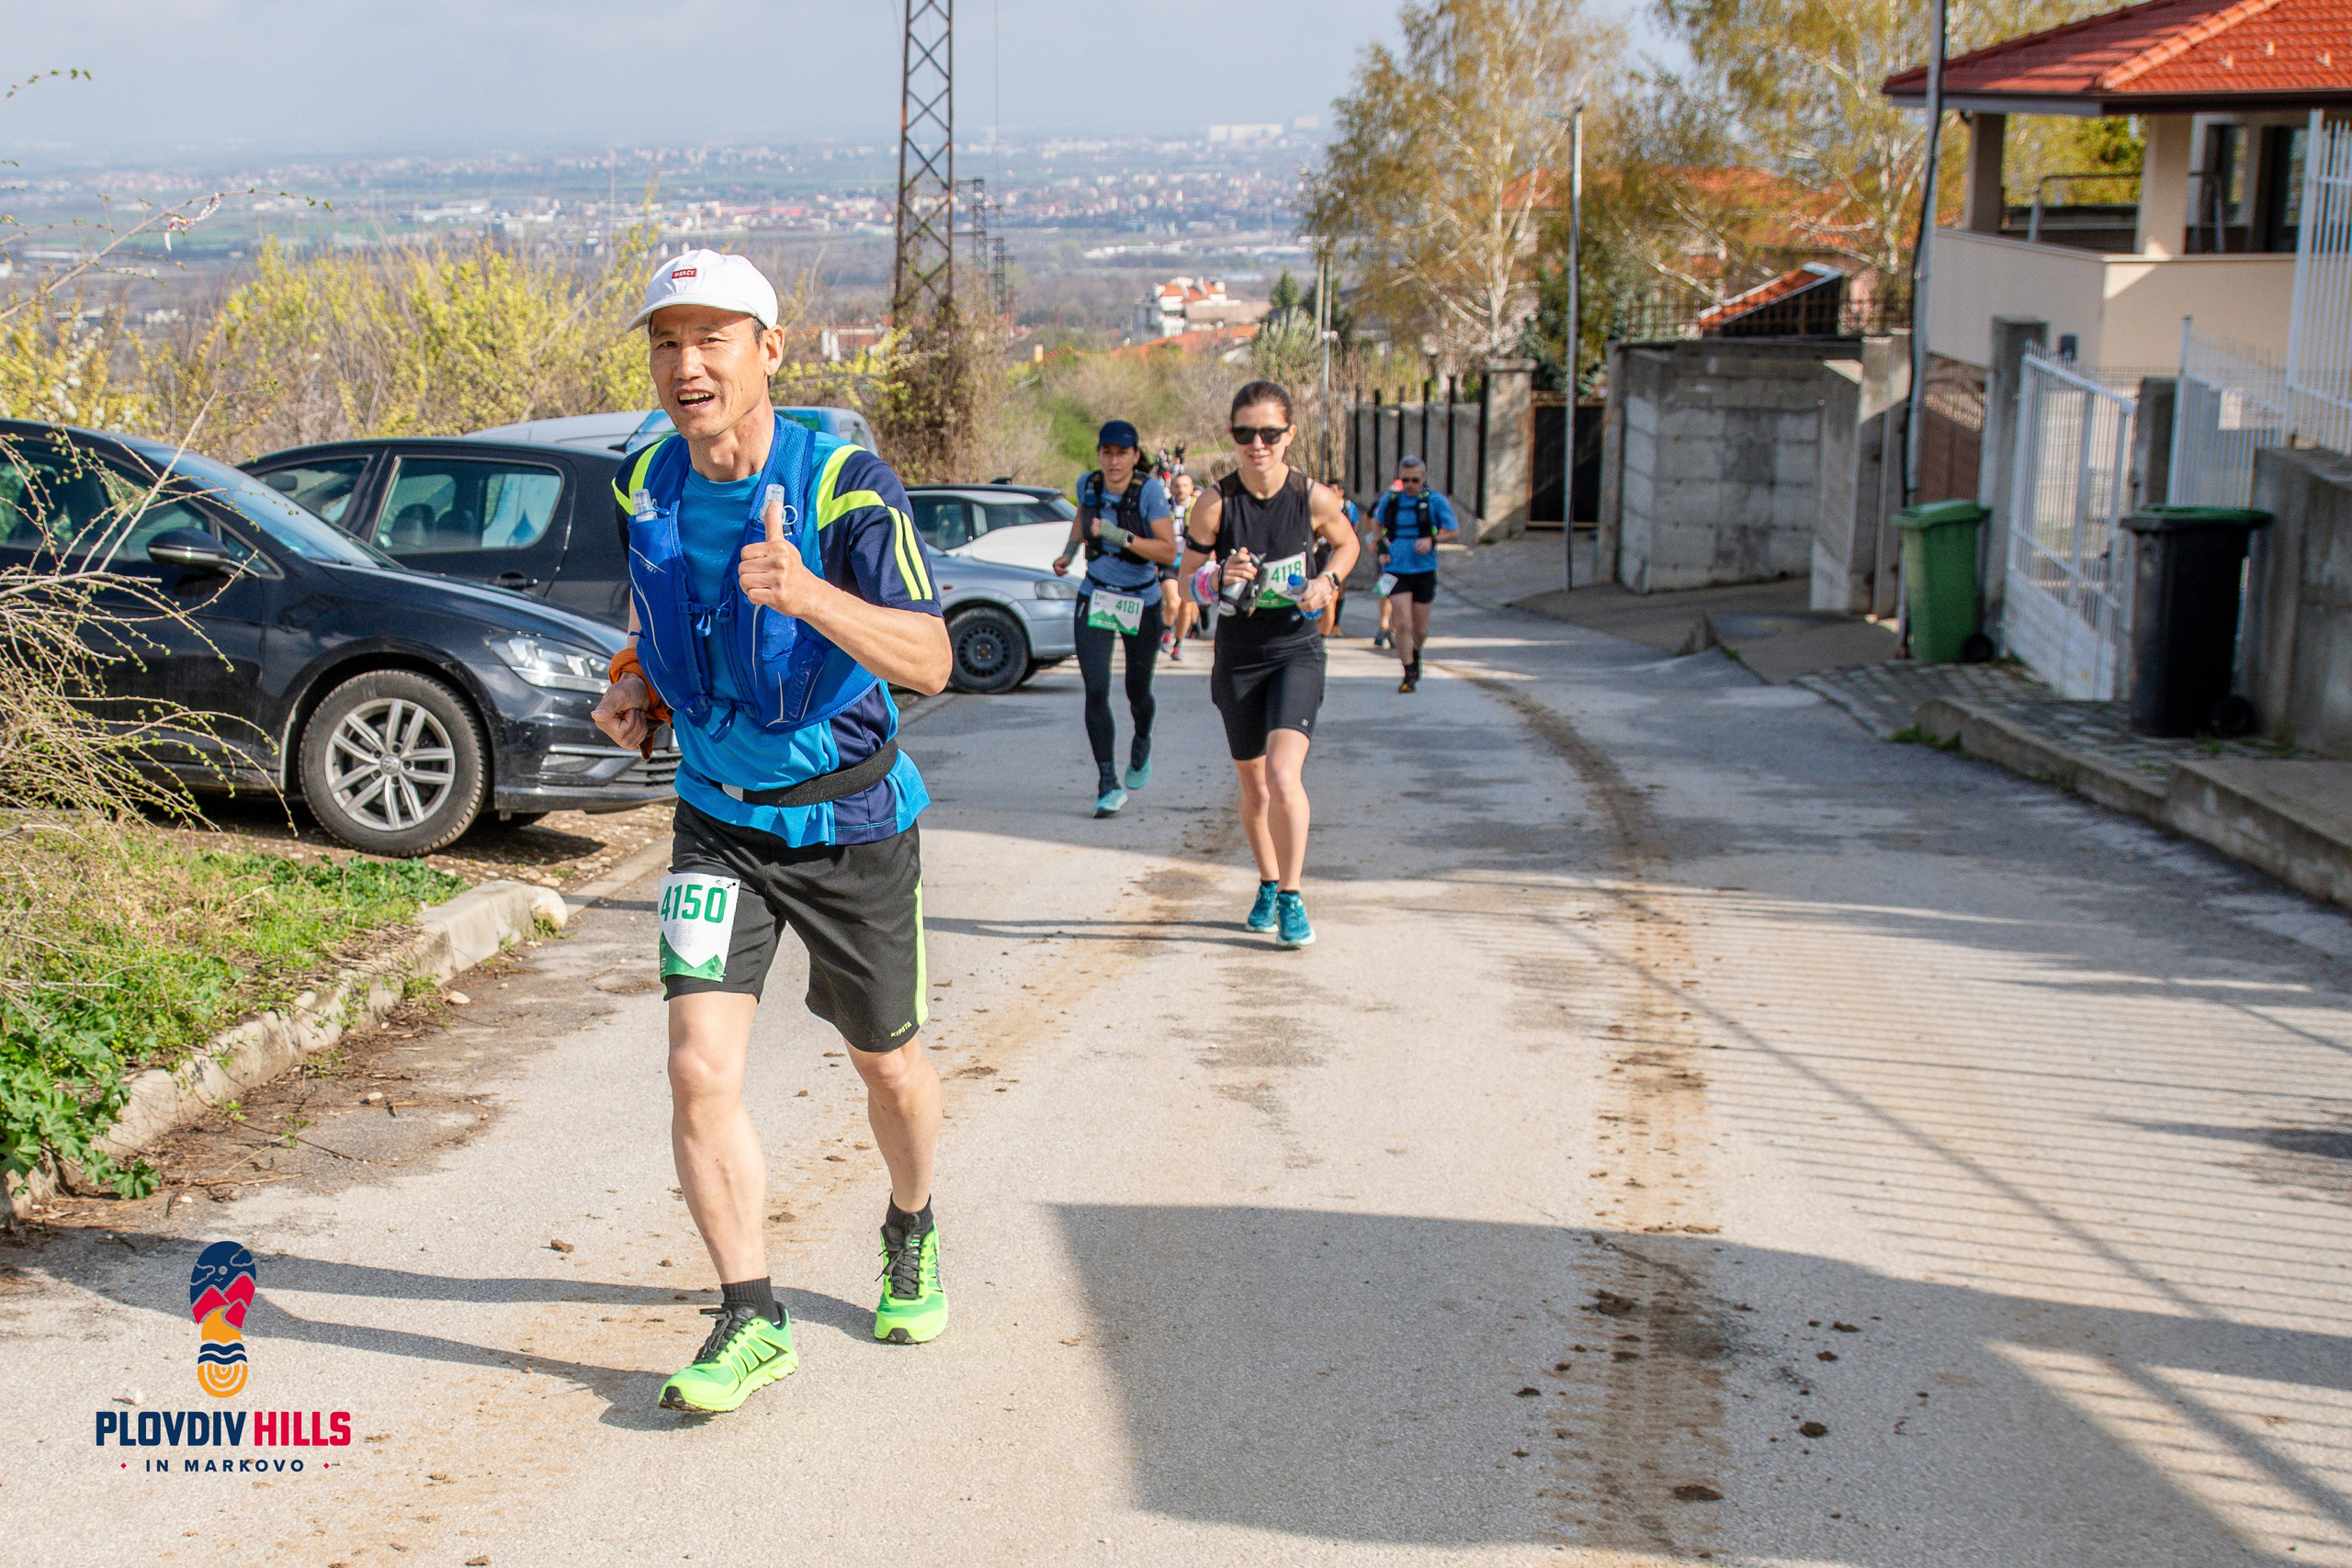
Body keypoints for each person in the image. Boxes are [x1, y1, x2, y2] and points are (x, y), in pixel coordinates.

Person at [590, 249, 954, 1416]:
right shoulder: (644, 481)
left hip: (850, 821)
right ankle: (751, 1315)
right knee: (696, 1067)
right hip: (718, 826)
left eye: (713, 338)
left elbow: (931, 659)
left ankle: (911, 1224)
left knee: (887, 1063)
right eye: (666, 342)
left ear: (769, 352)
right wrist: (634, 682)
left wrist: (808, 595)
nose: (686, 365)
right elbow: (661, 617)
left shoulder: (845, 485)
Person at [1180, 379, 1358, 949]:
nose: (1258, 444)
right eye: (1245, 433)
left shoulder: (1312, 498)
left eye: (1270, 434)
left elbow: (1349, 544)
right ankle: (1267, 880)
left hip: (1295, 650)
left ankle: (1292, 896)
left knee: (1284, 776)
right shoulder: (1215, 504)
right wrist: (1216, 579)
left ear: (1290, 435)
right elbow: (1186, 580)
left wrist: (1329, 581)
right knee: (1255, 785)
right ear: (1232, 436)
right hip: (1238, 656)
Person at [1055, 421, 1178, 817]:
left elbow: (1167, 551)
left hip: (1141, 600)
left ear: (1135, 456)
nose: (1114, 461)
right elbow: (1082, 519)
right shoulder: (1087, 484)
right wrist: (1068, 553)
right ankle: (1107, 781)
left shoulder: (1150, 492)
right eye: (1107, 452)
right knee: (1095, 689)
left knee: (1137, 691)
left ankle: (1142, 737)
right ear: (1099, 455)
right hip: (1096, 596)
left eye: (1122, 453)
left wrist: (1117, 534)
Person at [1372, 455, 1461, 693]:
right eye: (1405, 480)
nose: (1410, 485)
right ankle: (1408, 672)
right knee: (1403, 624)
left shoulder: (1435, 501)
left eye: (1414, 480)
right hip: (1395, 570)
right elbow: (1376, 524)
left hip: (1424, 569)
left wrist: (1432, 539)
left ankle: (1415, 653)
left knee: (1420, 630)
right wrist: (1381, 547)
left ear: (1424, 478)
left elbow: (1453, 530)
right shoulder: (1390, 500)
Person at [1159, 470, 1199, 660]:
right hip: (1169, 561)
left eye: (1185, 486)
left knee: (1186, 606)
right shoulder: (1164, 508)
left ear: (1191, 488)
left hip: (1190, 562)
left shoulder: (1199, 508)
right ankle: (1167, 630)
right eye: (1177, 486)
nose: (1181, 489)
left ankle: (1179, 644)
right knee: (1173, 602)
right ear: (1172, 489)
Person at [1316, 476, 1360, 638]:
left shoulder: (1348, 507)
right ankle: (1320, 628)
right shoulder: (1320, 504)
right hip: (1321, 550)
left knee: (1337, 592)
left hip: (1338, 550)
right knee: (1324, 592)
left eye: (1333, 490)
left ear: (1340, 492)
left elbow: (1354, 525)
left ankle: (1334, 625)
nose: (1329, 493)